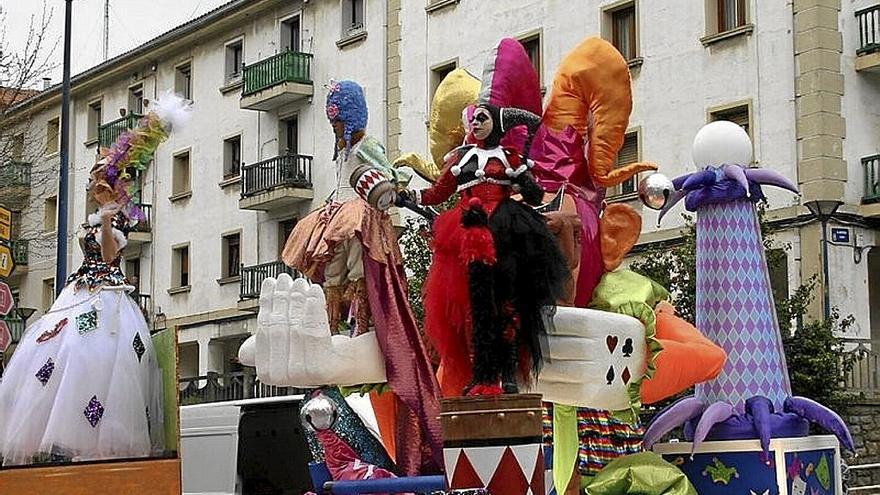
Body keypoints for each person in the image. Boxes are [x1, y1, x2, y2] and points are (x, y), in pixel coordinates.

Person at [281, 80, 441, 475]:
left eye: (338, 121)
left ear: (351, 118)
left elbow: (384, 178)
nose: (335, 130)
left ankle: (361, 324)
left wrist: (389, 190)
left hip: (362, 217)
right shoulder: (343, 152)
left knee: (355, 269)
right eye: (332, 123)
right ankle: (334, 323)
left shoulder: (367, 146)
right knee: (329, 264)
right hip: (341, 213)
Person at [0, 160, 164, 466]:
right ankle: (62, 439)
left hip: (106, 297)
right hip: (79, 291)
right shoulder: (95, 217)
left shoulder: (120, 217)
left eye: (96, 180)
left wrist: (105, 220)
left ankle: (99, 442)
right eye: (91, 180)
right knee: (50, 351)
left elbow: (109, 255)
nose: (91, 186)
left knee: (89, 354)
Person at [402, 102, 569, 397]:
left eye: (482, 118)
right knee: (473, 307)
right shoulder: (462, 158)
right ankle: (482, 372)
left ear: (497, 124)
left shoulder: (510, 157)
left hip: (507, 233)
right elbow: (439, 192)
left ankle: (507, 371)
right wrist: (408, 196)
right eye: (473, 119)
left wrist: (521, 179)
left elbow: (534, 194)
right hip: (468, 231)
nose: (475, 123)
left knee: (507, 304)